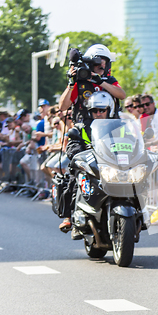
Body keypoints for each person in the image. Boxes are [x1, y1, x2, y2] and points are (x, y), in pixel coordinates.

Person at [58, 92, 113, 236]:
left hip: (112, 166)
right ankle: (71, 218)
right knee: (75, 182)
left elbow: (131, 142)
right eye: (95, 110)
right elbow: (72, 146)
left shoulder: (118, 126)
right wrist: (79, 153)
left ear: (109, 109)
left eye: (102, 110)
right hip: (89, 165)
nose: (99, 113)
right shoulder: (82, 127)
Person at [58, 44, 126, 125]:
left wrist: (100, 82)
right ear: (90, 64)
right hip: (85, 128)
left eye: (104, 62)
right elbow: (62, 107)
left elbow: (122, 95)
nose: (101, 65)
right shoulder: (80, 84)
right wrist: (71, 84)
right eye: (97, 62)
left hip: (109, 127)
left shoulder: (110, 81)